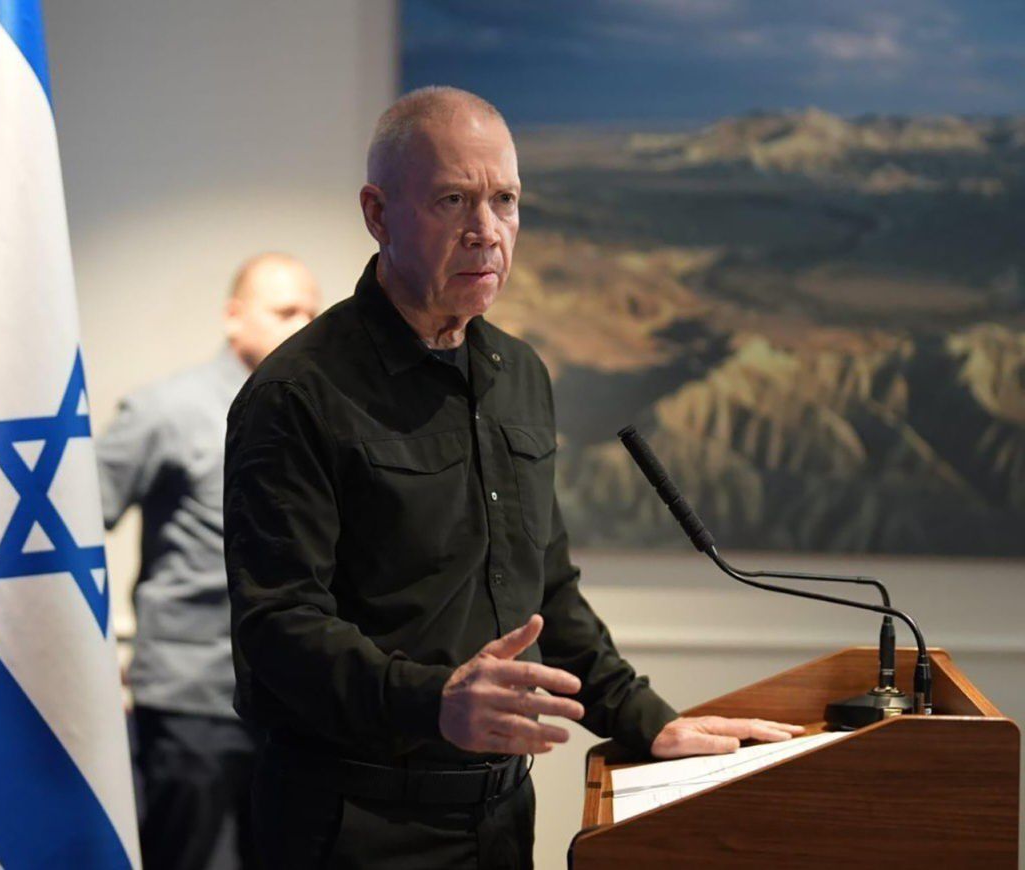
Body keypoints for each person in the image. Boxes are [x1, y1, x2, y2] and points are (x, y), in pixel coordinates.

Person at [223, 88, 805, 869]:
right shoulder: (298, 393)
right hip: (349, 826)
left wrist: (645, 720)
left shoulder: (519, 375)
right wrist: (434, 704)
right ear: (377, 212)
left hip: (499, 820)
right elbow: (279, 631)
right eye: (453, 200)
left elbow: (545, 592)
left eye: (505, 201)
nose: (486, 232)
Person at [96, 253, 321, 870]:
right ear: (233, 317)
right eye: (284, 312)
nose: (302, 325)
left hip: (290, 708)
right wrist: (92, 665)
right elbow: (73, 530)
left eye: (311, 312)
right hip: (191, 700)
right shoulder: (165, 412)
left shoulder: (323, 420)